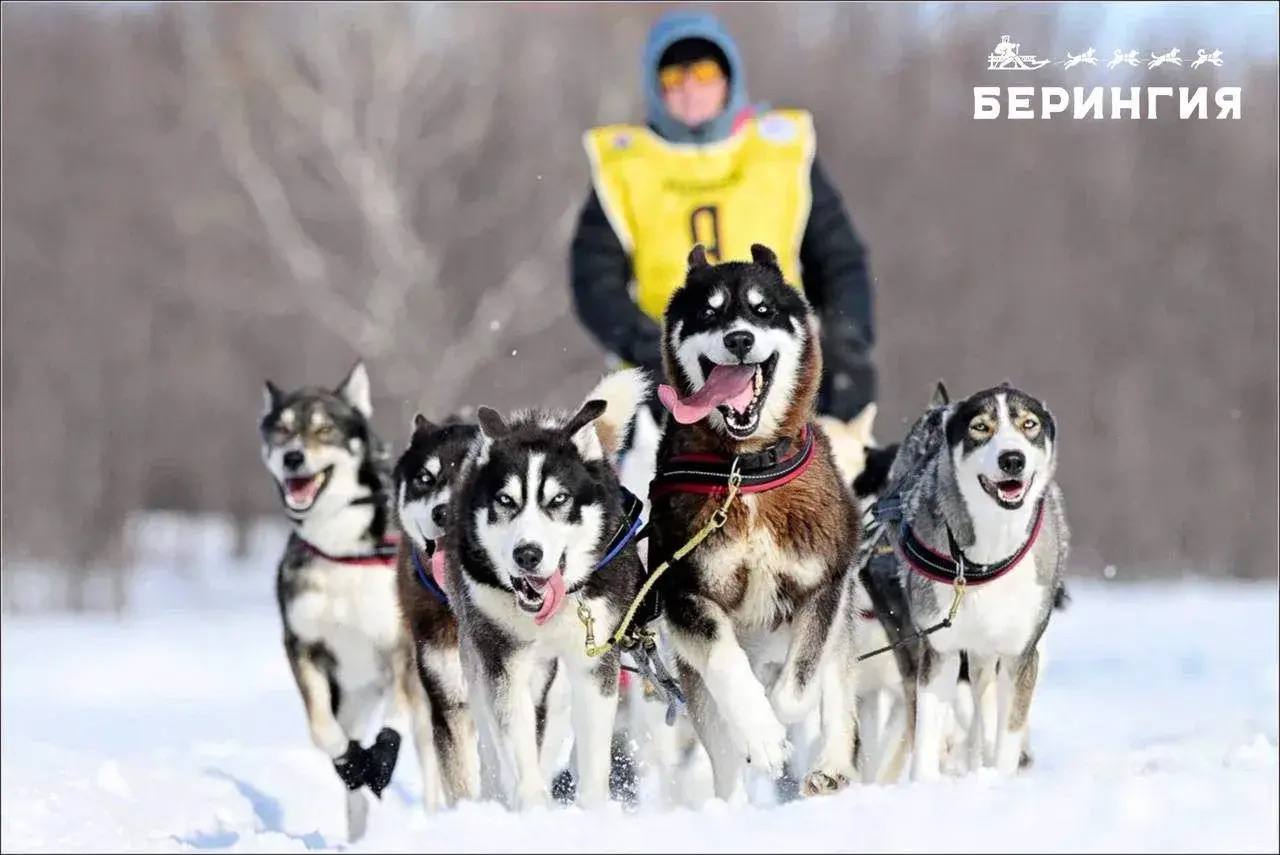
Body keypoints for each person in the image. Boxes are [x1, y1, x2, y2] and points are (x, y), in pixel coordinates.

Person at [570, 10, 877, 423]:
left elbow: (839, 260)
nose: (691, 88)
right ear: (655, 86)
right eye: (674, 78)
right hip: (668, 389)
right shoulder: (624, 167)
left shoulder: (781, 153)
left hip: (779, 375)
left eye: (704, 71)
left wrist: (846, 344)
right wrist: (649, 345)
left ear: (729, 76)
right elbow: (595, 282)